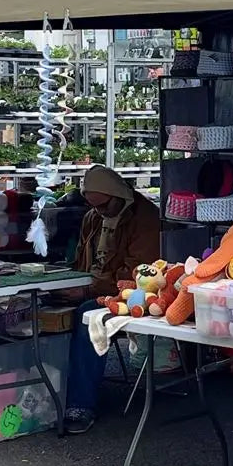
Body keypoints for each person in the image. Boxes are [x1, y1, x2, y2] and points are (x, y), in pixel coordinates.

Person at [64, 165, 160, 433]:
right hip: (94, 285)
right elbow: (84, 259)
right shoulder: (93, 216)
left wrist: (88, 289)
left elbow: (139, 270)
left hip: (133, 293)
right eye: (94, 206)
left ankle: (81, 404)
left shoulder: (146, 218)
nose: (100, 211)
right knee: (46, 312)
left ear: (117, 194)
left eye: (104, 205)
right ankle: (54, 394)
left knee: (85, 317)